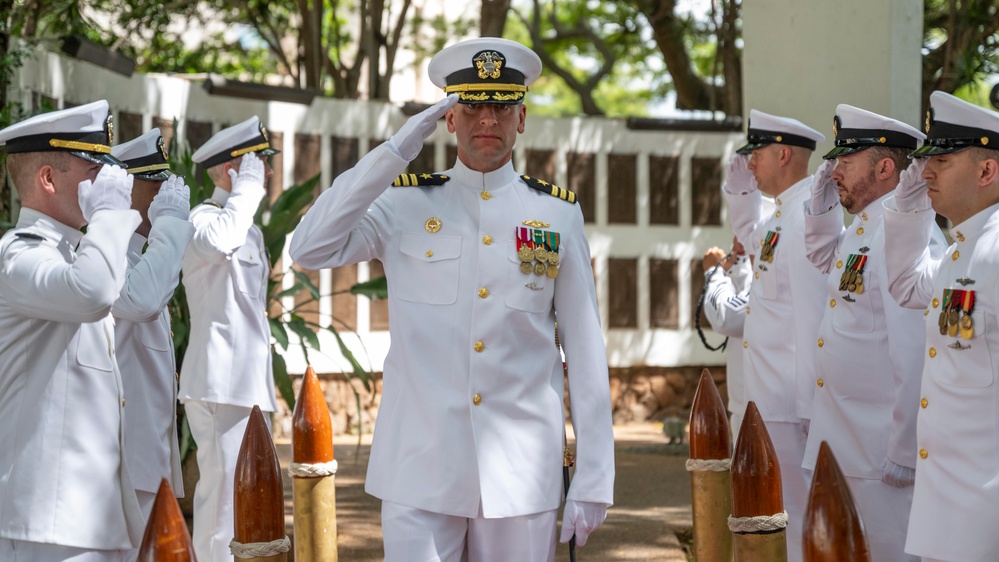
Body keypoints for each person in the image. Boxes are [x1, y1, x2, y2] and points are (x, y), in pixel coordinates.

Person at [289, 37, 615, 562]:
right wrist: (394, 151)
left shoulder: (557, 215)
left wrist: (595, 476)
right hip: (420, 466)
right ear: (448, 118)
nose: (488, 118)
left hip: (521, 473)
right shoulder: (402, 203)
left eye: (501, 106)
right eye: (472, 105)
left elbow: (584, 347)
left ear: (522, 117)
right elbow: (308, 247)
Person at [0, 101, 145, 560]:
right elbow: (93, 292)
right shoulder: (18, 255)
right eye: (92, 168)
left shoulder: (76, 252)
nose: (104, 181)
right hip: (48, 519)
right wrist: (108, 218)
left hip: (90, 513)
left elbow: (138, 296)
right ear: (48, 178)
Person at [802, 104, 944, 561]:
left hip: (877, 456)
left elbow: (913, 348)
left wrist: (903, 452)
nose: (834, 171)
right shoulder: (864, 227)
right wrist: (820, 204)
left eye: (846, 161)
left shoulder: (904, 235)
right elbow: (823, 259)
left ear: (885, 167)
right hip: (843, 441)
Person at [883, 91, 999, 562]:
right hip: (948, 502)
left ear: (987, 171)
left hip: (984, 505)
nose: (925, 171)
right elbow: (908, 285)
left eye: (943, 161)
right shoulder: (961, 249)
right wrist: (908, 210)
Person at [722, 109, 827, 561]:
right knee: (773, 516)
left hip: (789, 403)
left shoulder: (807, 217)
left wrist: (809, 406)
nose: (750, 164)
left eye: (756, 155)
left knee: (795, 519)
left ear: (784, 154)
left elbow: (809, 319)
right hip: (771, 399)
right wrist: (740, 192)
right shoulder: (781, 213)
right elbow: (750, 233)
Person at [181, 117, 278, 562]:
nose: (268, 174)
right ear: (231, 171)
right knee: (221, 506)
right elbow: (222, 242)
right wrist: (245, 191)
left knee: (251, 501)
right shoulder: (202, 219)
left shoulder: (250, 230)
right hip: (219, 385)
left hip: (248, 385)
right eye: (258, 164)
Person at [110, 129, 194, 550]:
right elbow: (141, 300)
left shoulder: (140, 256)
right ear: (126, 189)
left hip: (147, 457)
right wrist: (172, 226)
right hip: (126, 462)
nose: (164, 191)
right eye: (153, 182)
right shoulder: (107, 257)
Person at [700, 237, 752, 441]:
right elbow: (745, 287)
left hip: (764, 407)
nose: (736, 245)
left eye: (745, 238)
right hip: (746, 403)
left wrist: (714, 274)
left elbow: (725, 316)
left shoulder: (776, 271)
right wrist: (738, 263)